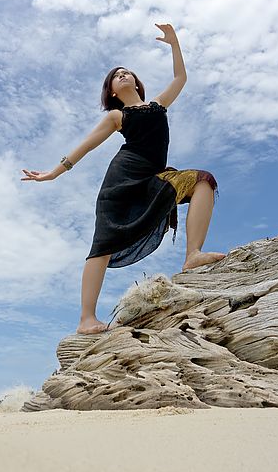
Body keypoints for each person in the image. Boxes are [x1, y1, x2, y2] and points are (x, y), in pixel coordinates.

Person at [21, 23, 226, 335]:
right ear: (113, 91)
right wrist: (53, 173)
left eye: (127, 72)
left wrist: (174, 44)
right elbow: (86, 145)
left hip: (153, 177)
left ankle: (193, 255)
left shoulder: (158, 105)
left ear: (137, 83)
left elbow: (180, 78)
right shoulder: (117, 117)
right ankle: (86, 319)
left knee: (203, 180)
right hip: (120, 183)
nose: (124, 75)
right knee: (102, 245)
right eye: (117, 75)